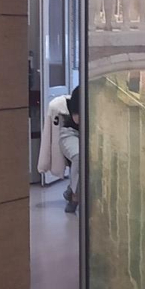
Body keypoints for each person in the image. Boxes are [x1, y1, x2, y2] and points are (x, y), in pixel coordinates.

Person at [59, 85, 80, 213]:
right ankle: (74, 196)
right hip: (71, 133)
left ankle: (71, 188)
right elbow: (77, 120)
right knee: (79, 156)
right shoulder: (80, 91)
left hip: (91, 134)